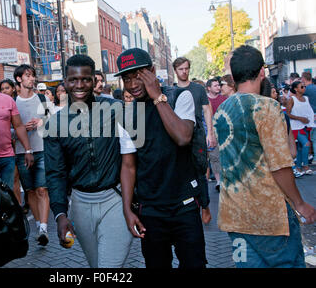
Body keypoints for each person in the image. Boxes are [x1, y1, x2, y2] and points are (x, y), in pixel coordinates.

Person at [214, 45, 316, 268]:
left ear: (233, 76)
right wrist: (300, 203)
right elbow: (279, 165)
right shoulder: (266, 107)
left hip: (235, 215)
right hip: (268, 217)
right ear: (262, 72)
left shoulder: (221, 111)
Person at [117, 48, 206, 269]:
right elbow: (128, 167)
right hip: (151, 210)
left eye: (138, 76)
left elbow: (183, 137)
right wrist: (127, 210)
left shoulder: (179, 97)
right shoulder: (128, 115)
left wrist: (157, 97)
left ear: (153, 71)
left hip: (184, 206)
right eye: (127, 79)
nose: (133, 84)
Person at [44, 54, 133, 268]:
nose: (79, 85)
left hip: (115, 201)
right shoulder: (55, 123)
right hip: (81, 205)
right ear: (65, 82)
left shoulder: (116, 109)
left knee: (108, 268)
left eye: (85, 79)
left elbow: (137, 155)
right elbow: (55, 172)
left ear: (94, 80)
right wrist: (60, 214)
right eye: (73, 80)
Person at [173, 57, 216, 225]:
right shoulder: (172, 90)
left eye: (186, 68)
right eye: (181, 69)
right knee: (182, 171)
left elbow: (207, 110)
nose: (184, 71)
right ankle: (186, 206)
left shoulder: (197, 89)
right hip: (181, 136)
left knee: (200, 171)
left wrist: (209, 133)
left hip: (197, 135)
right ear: (175, 71)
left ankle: (205, 205)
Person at [14, 64, 52, 246]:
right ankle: (38, 224)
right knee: (29, 190)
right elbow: (9, 131)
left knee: (42, 189)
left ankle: (44, 228)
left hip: (43, 149)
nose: (32, 79)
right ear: (19, 79)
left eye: (33, 75)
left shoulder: (43, 100)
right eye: (27, 76)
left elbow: (54, 123)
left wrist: (42, 122)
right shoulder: (12, 103)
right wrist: (21, 130)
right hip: (21, 152)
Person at [287, 80, 315, 175]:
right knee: (306, 144)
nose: (304, 88)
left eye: (304, 86)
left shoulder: (306, 98)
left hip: (305, 126)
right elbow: (288, 113)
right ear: (295, 89)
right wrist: (300, 118)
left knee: (299, 147)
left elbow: (308, 111)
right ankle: (305, 166)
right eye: (301, 87)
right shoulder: (292, 99)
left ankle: (298, 168)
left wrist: (310, 118)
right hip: (295, 127)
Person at [206, 78, 226, 192]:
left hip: (223, 130)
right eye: (215, 86)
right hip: (211, 131)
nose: (218, 87)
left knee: (222, 156)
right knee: (214, 157)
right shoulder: (205, 100)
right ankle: (218, 180)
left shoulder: (223, 99)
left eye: (219, 85)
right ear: (209, 88)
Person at [302, 71, 316, 158]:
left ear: (303, 79)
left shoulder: (305, 90)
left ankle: (313, 157)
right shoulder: (315, 87)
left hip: (310, 116)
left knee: (312, 137)